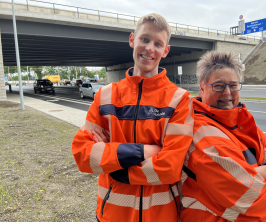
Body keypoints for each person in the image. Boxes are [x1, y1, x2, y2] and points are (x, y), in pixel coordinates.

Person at [72, 13, 194, 222]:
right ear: (132, 40)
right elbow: (83, 155)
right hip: (112, 215)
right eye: (144, 39)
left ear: (166, 51)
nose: (149, 48)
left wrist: (114, 165)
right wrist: (146, 150)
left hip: (162, 216)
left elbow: (171, 168)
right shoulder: (105, 96)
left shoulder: (179, 99)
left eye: (158, 43)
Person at [179, 51, 266, 222]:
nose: (227, 92)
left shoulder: (240, 120)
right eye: (218, 85)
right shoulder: (200, 131)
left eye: (233, 85)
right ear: (202, 88)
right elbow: (251, 196)